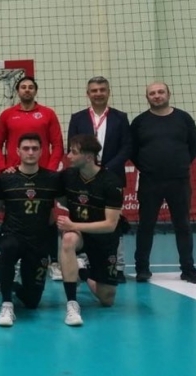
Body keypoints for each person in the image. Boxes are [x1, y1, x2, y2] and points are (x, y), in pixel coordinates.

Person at [0, 77, 64, 281]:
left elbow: (58, 144)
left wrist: (50, 172)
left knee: (48, 216)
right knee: (14, 217)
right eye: (23, 87)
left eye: (31, 87)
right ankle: (10, 268)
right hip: (15, 177)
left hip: (42, 176)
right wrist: (3, 168)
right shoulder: (7, 114)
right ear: (18, 90)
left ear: (35, 91)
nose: (27, 90)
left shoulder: (48, 114)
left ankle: (53, 262)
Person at [0, 133, 62, 327]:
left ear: (42, 151)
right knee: (9, 247)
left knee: (32, 302)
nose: (30, 152)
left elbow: (68, 202)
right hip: (12, 234)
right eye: (26, 148)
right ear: (17, 151)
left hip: (38, 241)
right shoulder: (6, 178)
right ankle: (6, 304)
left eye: (35, 148)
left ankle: (8, 283)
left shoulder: (52, 179)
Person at [68, 76, 132, 282]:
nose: (98, 93)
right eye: (94, 90)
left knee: (115, 221)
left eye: (102, 90)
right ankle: (89, 263)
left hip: (111, 176)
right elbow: (72, 146)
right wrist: (90, 170)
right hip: (85, 177)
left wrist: (106, 169)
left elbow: (126, 147)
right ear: (88, 94)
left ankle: (118, 265)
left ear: (108, 92)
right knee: (87, 218)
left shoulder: (120, 117)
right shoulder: (77, 118)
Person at [131, 82, 196, 283]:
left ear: (169, 94)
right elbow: (133, 150)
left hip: (179, 181)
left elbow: (193, 146)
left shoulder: (184, 118)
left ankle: (188, 269)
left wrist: (179, 164)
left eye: (161, 92)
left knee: (183, 225)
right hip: (150, 181)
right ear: (147, 97)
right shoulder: (139, 122)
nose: (157, 96)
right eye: (152, 93)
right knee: (146, 225)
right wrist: (149, 167)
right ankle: (142, 269)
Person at [57, 134, 123, 326]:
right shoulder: (67, 176)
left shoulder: (111, 182)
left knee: (107, 299)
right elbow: (59, 197)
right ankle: (72, 302)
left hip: (104, 237)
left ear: (88, 157)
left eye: (73, 152)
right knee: (68, 239)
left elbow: (110, 225)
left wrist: (73, 225)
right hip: (80, 235)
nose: (69, 156)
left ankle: (82, 273)